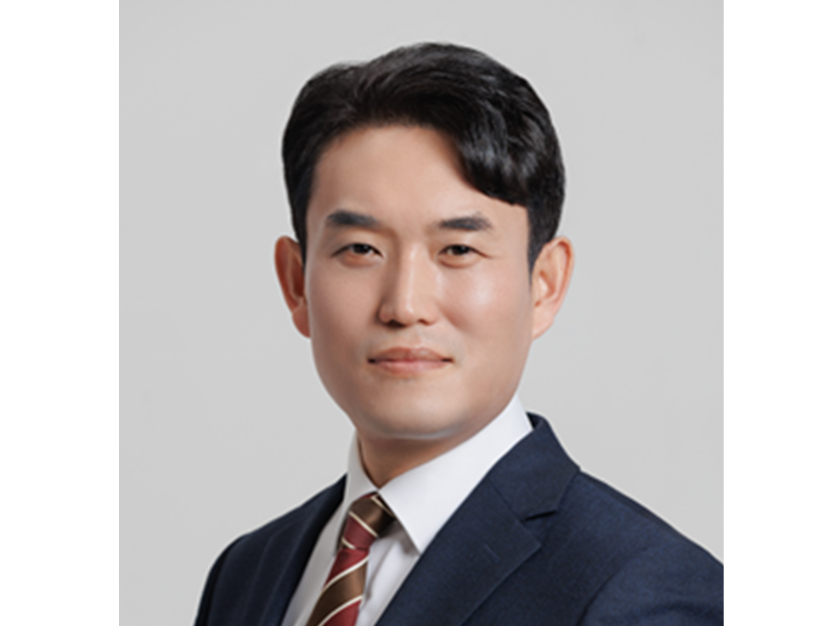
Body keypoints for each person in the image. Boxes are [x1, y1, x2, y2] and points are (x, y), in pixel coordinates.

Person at [193, 43, 723, 626]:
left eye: (458, 250)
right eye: (361, 249)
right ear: (296, 283)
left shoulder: (645, 591)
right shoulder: (247, 573)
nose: (405, 305)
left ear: (544, 284)